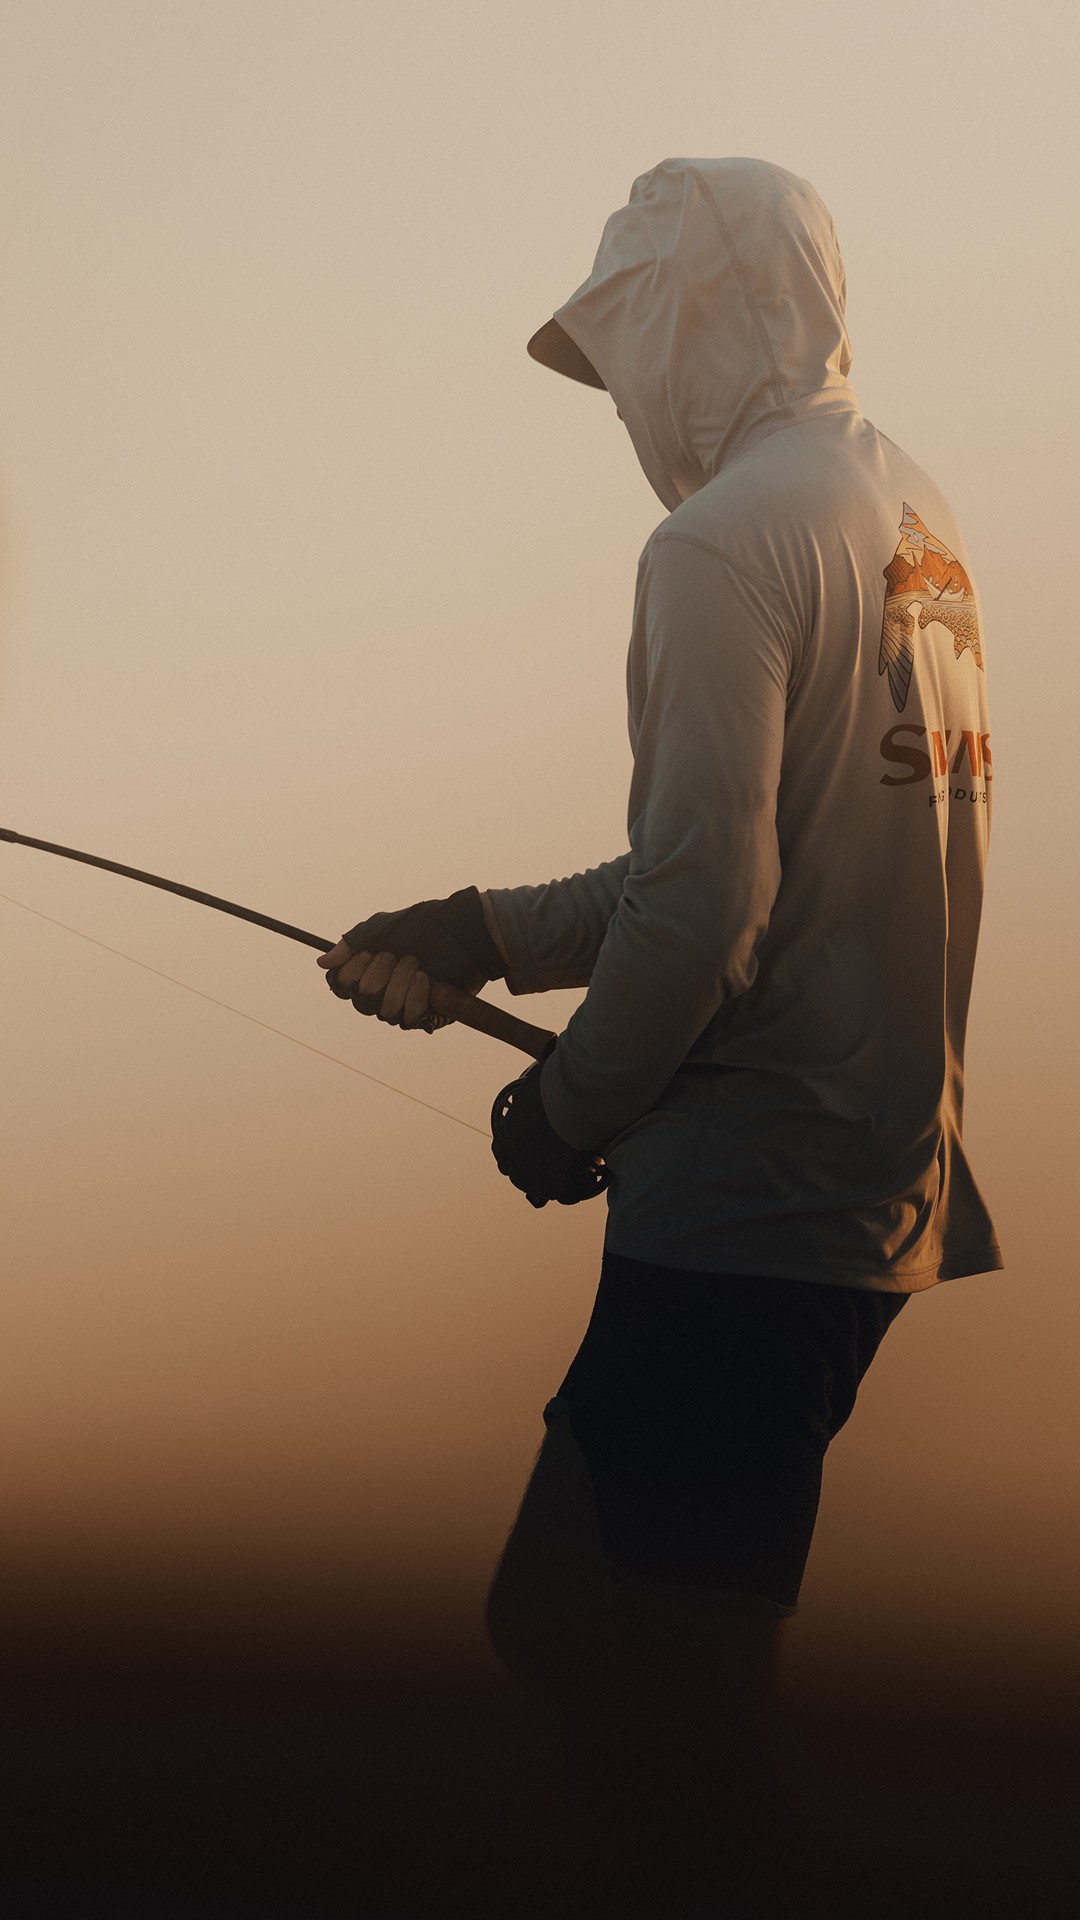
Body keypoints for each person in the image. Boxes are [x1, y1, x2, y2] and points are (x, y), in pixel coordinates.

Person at [317, 157, 1001, 1911]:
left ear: (701, 320)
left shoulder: (713, 546)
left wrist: (565, 1112)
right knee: (624, 1655)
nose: (627, 399)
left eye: (634, 349)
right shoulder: (908, 517)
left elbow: (706, 909)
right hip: (873, 1198)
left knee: (620, 1671)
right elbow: (738, 862)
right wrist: (481, 933)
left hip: (742, 1216)